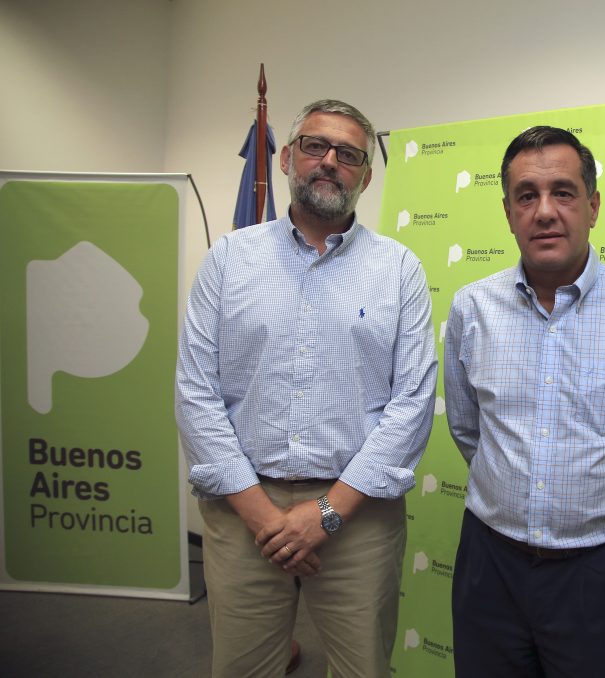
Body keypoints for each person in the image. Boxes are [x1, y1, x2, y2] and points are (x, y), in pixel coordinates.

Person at [176, 99, 437, 678]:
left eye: (349, 155)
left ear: (366, 177)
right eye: (315, 146)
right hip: (243, 507)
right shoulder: (229, 259)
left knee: (362, 669)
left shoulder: (399, 269)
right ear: (287, 157)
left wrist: (327, 513)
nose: (330, 162)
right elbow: (196, 391)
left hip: (358, 514)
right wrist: (261, 516)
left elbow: (413, 403)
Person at [444, 126, 605, 677]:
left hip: (601, 568)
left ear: (593, 206)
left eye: (563, 192)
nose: (545, 212)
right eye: (526, 196)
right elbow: (467, 430)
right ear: (508, 212)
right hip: (489, 563)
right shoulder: (471, 308)